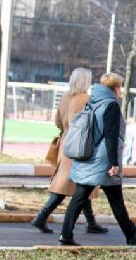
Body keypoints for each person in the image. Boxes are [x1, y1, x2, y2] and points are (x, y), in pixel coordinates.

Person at [60, 72, 136, 247]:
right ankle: (66, 235)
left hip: (89, 155)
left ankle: (131, 234)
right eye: (120, 86)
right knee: (86, 196)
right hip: (102, 160)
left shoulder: (93, 101)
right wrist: (114, 163)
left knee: (102, 197)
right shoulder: (111, 105)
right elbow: (111, 136)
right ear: (116, 88)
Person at [31, 67, 106, 235]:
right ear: (85, 81)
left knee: (80, 185)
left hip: (66, 144)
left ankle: (91, 222)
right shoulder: (87, 99)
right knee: (72, 185)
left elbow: (58, 121)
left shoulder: (65, 97)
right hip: (81, 145)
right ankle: (41, 217)